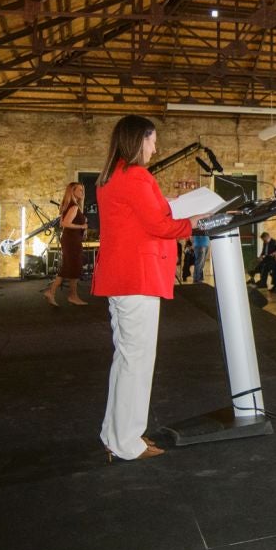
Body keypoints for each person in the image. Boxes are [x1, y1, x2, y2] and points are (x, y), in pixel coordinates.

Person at [92, 116, 200, 462]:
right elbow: (160, 224)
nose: (155, 147)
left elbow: (145, 212)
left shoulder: (113, 176)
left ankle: (116, 435)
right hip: (137, 277)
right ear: (139, 140)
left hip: (122, 278)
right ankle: (127, 442)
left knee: (126, 359)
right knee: (136, 362)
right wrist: (195, 220)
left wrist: (171, 204)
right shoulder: (136, 175)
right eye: (152, 141)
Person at [44, 181, 90, 307]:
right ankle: (56, 292)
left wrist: (82, 229)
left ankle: (69, 295)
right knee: (70, 267)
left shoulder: (71, 205)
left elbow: (63, 223)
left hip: (72, 239)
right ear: (72, 191)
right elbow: (64, 224)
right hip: (71, 241)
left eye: (82, 190)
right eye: (79, 190)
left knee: (73, 267)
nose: (82, 192)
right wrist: (82, 225)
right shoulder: (74, 206)